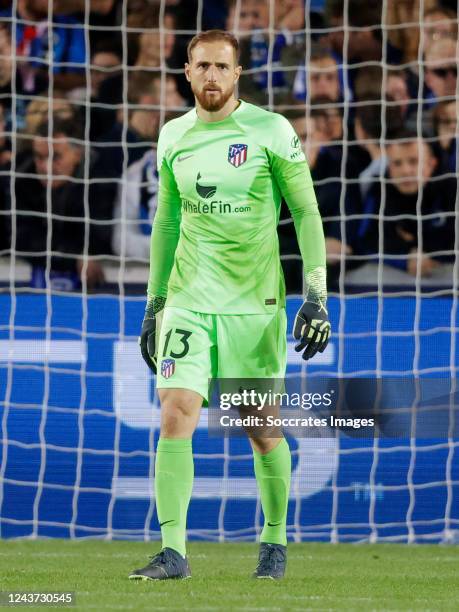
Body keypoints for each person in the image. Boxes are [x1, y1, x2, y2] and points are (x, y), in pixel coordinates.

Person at [129, 29, 330, 582]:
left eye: (222, 66)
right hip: (190, 300)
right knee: (176, 414)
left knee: (260, 426)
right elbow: (167, 222)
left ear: (237, 73)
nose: (212, 76)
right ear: (187, 72)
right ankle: (173, 552)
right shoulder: (172, 136)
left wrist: (316, 295)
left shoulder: (271, 130)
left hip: (254, 304)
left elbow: (306, 214)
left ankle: (273, 541)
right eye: (203, 66)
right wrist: (154, 306)